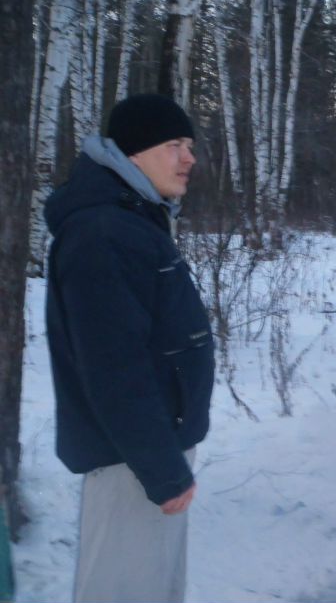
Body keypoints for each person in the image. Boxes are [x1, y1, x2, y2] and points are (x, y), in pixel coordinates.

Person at [45, 94, 214, 602]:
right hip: (130, 460)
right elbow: (115, 370)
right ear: (133, 155)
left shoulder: (131, 222)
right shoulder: (103, 232)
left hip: (147, 449)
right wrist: (163, 470)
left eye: (189, 145)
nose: (189, 158)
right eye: (173, 145)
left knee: (152, 589)